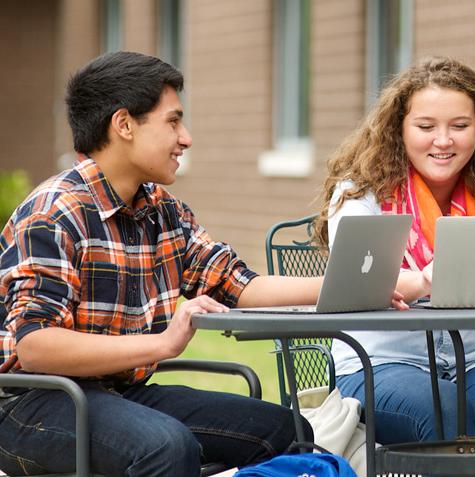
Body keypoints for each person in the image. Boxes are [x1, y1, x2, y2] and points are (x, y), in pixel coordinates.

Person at [0, 52, 398, 476]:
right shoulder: (54, 212)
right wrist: (162, 344)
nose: (185, 138)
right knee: (165, 448)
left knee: (283, 428)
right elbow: (36, 345)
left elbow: (239, 285)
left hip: (119, 393)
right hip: (32, 402)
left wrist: (352, 285)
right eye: (173, 121)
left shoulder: (161, 209)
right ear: (124, 125)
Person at [314, 56, 475, 445]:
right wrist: (425, 280)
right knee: (446, 415)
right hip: (377, 363)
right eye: (426, 126)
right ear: (399, 129)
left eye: (459, 126)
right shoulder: (361, 194)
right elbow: (356, 280)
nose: (443, 141)